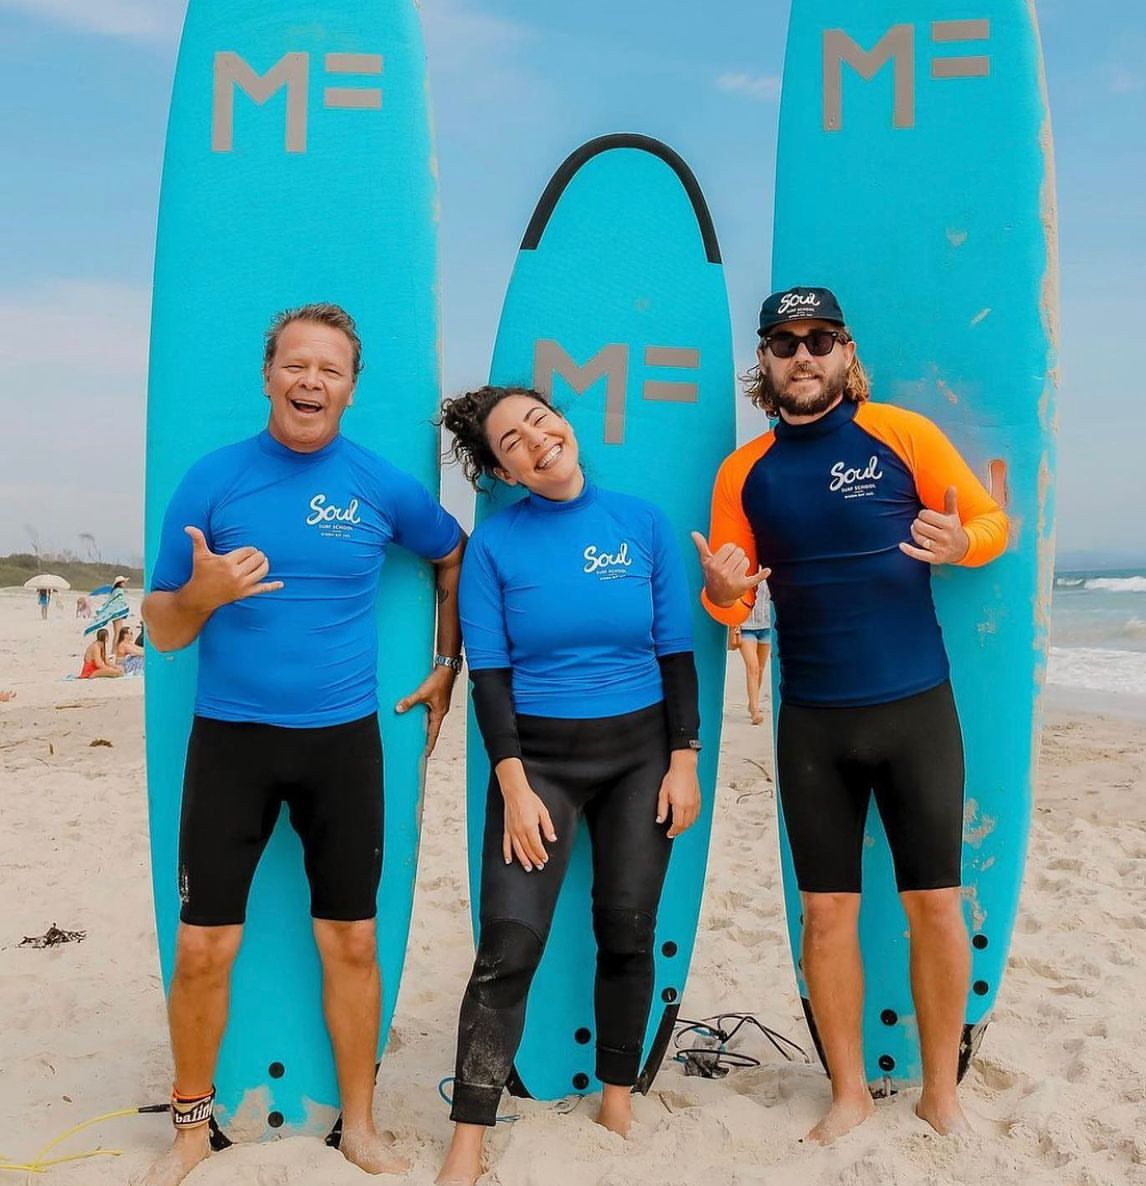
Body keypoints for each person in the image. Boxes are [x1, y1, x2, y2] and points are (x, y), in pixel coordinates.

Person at [139, 303, 466, 1186]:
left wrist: (447, 662)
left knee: (352, 940)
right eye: (295, 364)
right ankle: (188, 1124)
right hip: (231, 743)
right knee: (204, 945)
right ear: (268, 374)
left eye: (329, 369)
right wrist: (202, 593)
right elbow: (161, 628)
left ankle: (356, 1125)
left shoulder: (381, 485)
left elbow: (453, 554)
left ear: (351, 388)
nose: (310, 380)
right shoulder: (213, 482)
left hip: (341, 744)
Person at [693, 286, 1008, 1145]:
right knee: (825, 913)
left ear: (845, 352)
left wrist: (964, 542)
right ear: (763, 360)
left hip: (915, 710)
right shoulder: (744, 471)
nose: (804, 355)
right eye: (785, 342)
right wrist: (722, 592)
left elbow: (988, 520)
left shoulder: (900, 434)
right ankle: (849, 1091)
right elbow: (729, 595)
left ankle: (941, 1089)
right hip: (816, 723)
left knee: (936, 904)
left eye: (819, 339)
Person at [435, 386, 702, 1186]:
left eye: (540, 421)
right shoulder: (494, 547)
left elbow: (677, 654)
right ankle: (468, 1137)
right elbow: (490, 674)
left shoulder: (642, 522)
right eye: (512, 440)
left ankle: (618, 1096)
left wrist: (684, 759)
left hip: (640, 760)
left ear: (566, 423)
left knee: (626, 929)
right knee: (506, 949)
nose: (536, 440)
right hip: (538, 765)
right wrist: (513, 785)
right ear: (502, 469)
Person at [730, 577, 772, 725]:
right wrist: (734, 624)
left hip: (766, 625)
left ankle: (752, 702)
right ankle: (755, 709)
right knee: (752, 667)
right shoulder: (748, 566)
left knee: (760, 669)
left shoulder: (770, 568)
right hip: (746, 626)